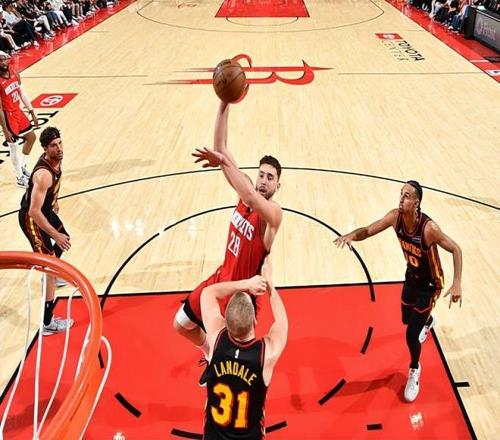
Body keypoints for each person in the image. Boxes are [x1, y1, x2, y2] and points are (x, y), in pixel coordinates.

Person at [173, 100, 283, 386]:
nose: (263, 181)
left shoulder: (273, 214)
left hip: (241, 295)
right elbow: (220, 147)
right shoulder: (246, 187)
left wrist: (223, 162)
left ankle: (220, 367)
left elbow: (249, 196)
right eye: (261, 174)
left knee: (234, 371)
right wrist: (223, 102)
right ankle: (209, 353)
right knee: (180, 324)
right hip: (221, 279)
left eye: (270, 178)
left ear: (277, 186)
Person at [334, 180, 462, 402]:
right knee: (406, 318)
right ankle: (427, 321)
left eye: (406, 196)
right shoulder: (395, 217)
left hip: (430, 284)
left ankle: (414, 369)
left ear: (416, 202)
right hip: (411, 276)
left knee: (411, 334)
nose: (401, 198)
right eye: (401, 193)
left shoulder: (429, 229)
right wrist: (351, 235)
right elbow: (368, 230)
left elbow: (456, 249)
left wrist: (457, 281)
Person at [201, 257, 288, 439]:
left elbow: (208, 293)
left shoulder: (216, 338)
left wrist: (246, 284)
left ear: (225, 321)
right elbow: (282, 322)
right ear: (254, 321)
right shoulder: (266, 354)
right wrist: (270, 285)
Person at [18, 126, 73, 335]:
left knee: (65, 238)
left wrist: (54, 200)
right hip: (32, 218)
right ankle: (48, 323)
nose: (59, 148)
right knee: (50, 266)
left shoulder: (56, 159)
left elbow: (51, 188)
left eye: (60, 143)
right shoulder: (43, 175)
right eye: (53, 145)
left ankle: (50, 274)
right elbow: (33, 211)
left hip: (44, 209)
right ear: (45, 149)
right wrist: (54, 235)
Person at [0, 51, 38, 188]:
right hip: (8, 115)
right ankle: (19, 177)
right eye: (0, 60)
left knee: (31, 137)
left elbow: (21, 92)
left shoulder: (13, 72)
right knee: (14, 146)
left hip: (18, 111)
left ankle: (22, 166)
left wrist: (32, 111)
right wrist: (5, 131)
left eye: (4, 59)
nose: (3, 62)